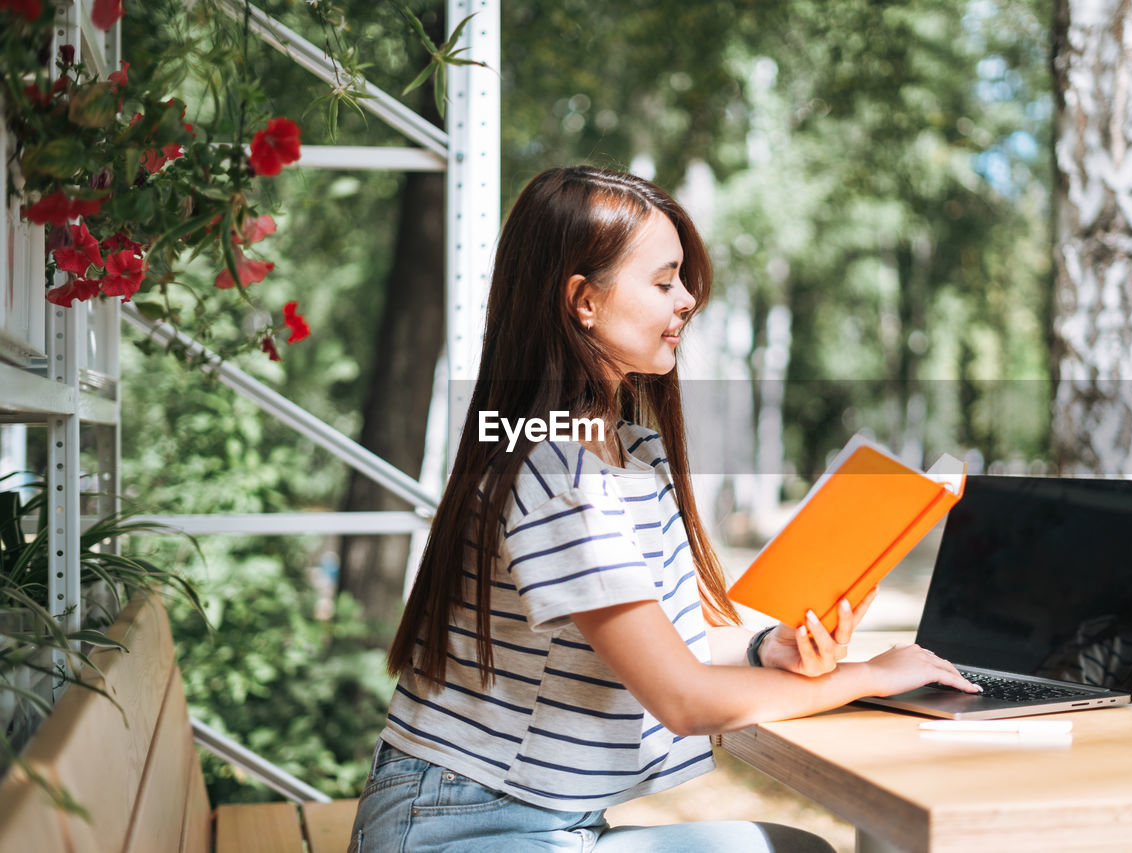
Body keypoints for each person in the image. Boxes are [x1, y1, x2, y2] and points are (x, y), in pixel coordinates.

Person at [347, 165, 978, 853]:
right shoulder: (555, 472)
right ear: (583, 301)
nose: (687, 300)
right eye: (663, 280)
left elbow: (656, 636)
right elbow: (682, 698)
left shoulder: (631, 455)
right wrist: (874, 676)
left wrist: (768, 648)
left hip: (545, 819)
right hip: (457, 826)